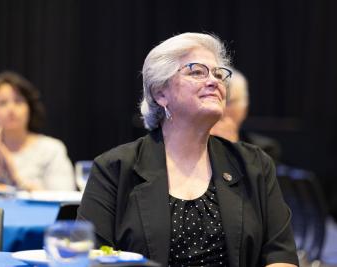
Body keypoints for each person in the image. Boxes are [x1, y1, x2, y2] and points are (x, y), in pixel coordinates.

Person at [77, 33, 298, 267]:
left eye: (219, 74)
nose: (214, 81)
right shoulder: (114, 168)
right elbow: (88, 257)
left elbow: (281, 255)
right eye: (197, 72)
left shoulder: (254, 164)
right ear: (160, 93)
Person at [0, 71, 75, 191]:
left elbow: (65, 196)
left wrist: (3, 153)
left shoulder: (51, 149)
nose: (11, 109)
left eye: (18, 101)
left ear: (30, 109)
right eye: (2, 103)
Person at [210, 69, 282, 162]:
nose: (221, 108)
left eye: (228, 102)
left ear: (245, 107)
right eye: (215, 100)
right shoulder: (189, 144)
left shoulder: (264, 150)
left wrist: (232, 149)